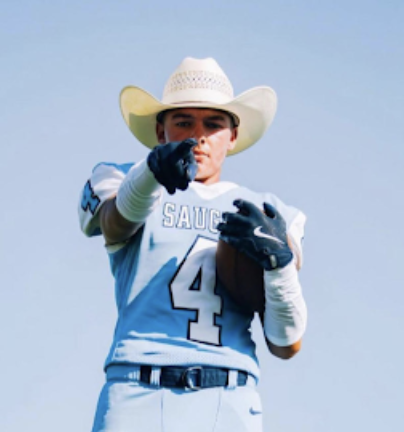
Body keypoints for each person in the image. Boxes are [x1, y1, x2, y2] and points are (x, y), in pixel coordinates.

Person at [78, 57, 308, 432]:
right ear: (160, 130)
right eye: (183, 121)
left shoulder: (269, 212)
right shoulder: (122, 179)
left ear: (233, 135)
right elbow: (111, 221)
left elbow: (286, 344)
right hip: (138, 391)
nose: (197, 135)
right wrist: (150, 174)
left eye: (213, 124)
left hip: (229, 398)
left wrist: (279, 264)